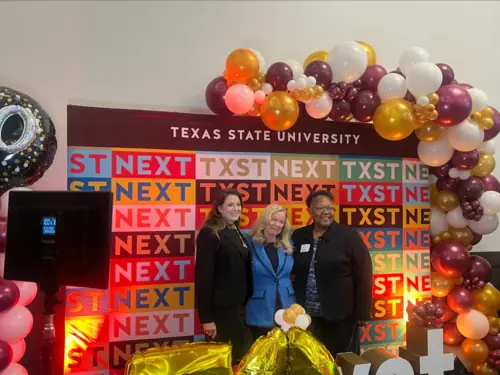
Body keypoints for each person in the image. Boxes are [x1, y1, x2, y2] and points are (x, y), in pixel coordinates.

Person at [291, 190, 372, 357]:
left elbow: (364, 272)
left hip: (340, 315)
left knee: (341, 361)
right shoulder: (299, 236)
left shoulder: (348, 236)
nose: (326, 212)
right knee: (312, 361)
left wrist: (363, 310)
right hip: (306, 316)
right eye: (321, 208)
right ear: (309, 210)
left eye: (330, 208)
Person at [194, 189, 252, 365]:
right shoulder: (210, 233)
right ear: (219, 208)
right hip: (220, 311)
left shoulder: (234, 230)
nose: (236, 208)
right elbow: (203, 278)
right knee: (223, 362)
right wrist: (207, 319)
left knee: (238, 357)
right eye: (230, 204)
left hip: (236, 308)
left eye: (238, 204)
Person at [245, 204, 295, 341]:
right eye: (274, 220)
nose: (277, 225)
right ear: (265, 220)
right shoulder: (249, 244)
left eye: (281, 222)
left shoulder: (288, 245)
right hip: (259, 307)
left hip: (287, 306)